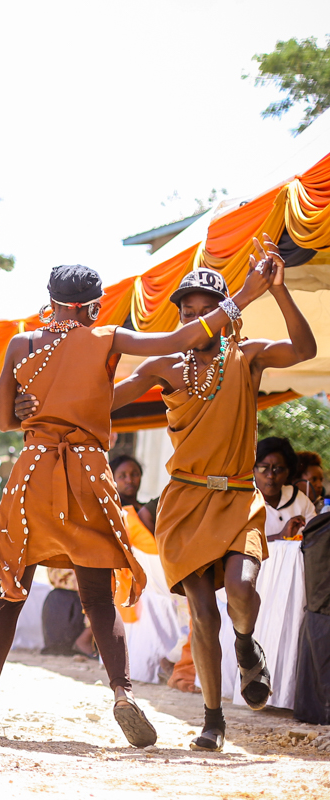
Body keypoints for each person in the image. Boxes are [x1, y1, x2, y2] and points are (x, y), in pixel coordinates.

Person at [0, 256, 278, 749]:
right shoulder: (106, 336)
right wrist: (245, 296)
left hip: (34, 475)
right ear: (94, 306)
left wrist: (26, 410)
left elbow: (3, 419)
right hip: (86, 472)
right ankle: (122, 694)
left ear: (50, 301)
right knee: (98, 594)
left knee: (10, 591)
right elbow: (178, 341)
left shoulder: (22, 344)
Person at [95, 239, 314, 750]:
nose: (196, 321)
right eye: (187, 313)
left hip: (239, 500)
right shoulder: (166, 365)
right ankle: (213, 721)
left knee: (240, 591)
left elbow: (305, 351)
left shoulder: (248, 357)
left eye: (204, 311)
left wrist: (279, 292)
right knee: (201, 612)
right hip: (185, 503)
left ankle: (245, 645)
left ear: (226, 316)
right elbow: (105, 402)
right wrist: (56, 398)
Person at [257, 437, 317, 541]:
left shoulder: (299, 499)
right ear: (252, 470)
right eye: (263, 468)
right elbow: (237, 547)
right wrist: (279, 537)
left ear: (288, 471)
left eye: (278, 469)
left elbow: (317, 537)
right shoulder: (243, 502)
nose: (271, 475)